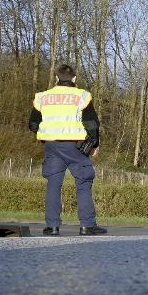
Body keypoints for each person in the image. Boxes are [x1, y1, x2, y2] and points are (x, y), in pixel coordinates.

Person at [29, 64, 106, 236]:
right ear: (74, 78)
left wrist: (48, 134)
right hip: (75, 147)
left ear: (56, 78)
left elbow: (33, 124)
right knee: (84, 182)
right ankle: (87, 226)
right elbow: (92, 123)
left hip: (51, 146)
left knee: (53, 185)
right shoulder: (81, 96)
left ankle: (52, 226)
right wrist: (94, 145)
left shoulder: (43, 97)